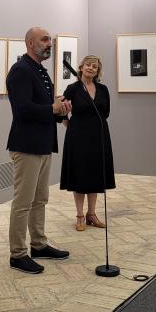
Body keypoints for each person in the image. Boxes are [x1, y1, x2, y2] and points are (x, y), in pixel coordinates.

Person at [6, 26, 71, 274]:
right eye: (44, 40)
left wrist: (60, 109)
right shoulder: (21, 71)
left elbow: (43, 106)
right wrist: (53, 109)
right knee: (23, 202)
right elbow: (23, 110)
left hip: (43, 142)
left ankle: (38, 244)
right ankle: (17, 254)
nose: (49, 44)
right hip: (26, 144)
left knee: (40, 199)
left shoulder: (39, 70)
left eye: (50, 40)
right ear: (30, 43)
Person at [60, 55, 116, 231]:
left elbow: (105, 112)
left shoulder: (103, 89)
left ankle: (92, 214)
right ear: (81, 67)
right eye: (88, 65)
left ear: (98, 70)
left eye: (95, 66)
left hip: (99, 135)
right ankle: (79, 215)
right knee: (80, 174)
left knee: (95, 173)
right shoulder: (73, 88)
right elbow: (61, 111)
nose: (91, 68)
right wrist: (69, 124)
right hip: (78, 136)